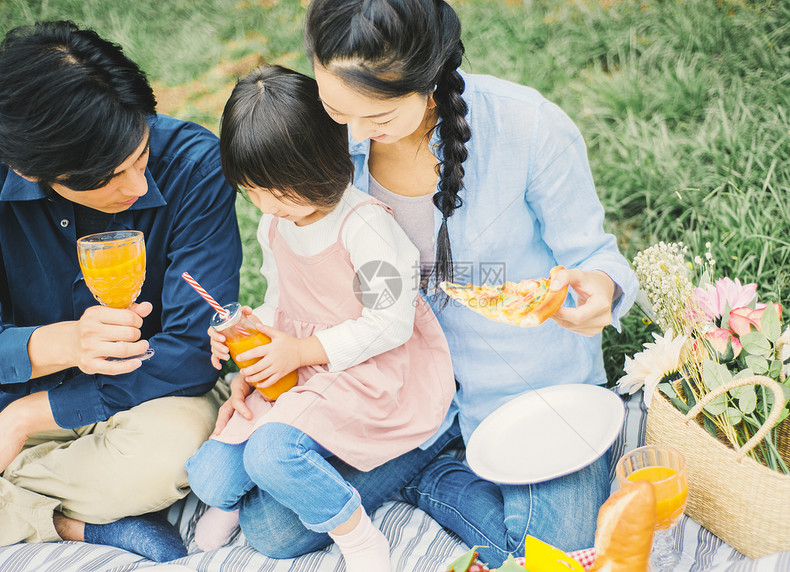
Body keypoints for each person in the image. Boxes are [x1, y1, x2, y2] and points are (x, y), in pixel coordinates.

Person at [225, 0, 640, 567]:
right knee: (272, 530)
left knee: (550, 551)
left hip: (526, 390)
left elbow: (596, 257)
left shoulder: (528, 125)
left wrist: (599, 292)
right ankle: (434, 466)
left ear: (431, 76)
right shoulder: (322, 140)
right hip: (392, 392)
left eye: (377, 117)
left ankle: (429, 479)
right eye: (333, 106)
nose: (348, 131)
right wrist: (272, 348)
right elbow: (302, 273)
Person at [184, 66, 456, 572]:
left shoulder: (366, 227)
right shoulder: (276, 224)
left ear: (323, 162)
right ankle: (247, 492)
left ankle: (358, 538)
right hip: (307, 372)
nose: (266, 205)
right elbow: (283, 301)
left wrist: (302, 351)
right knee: (209, 477)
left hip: (370, 372)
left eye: (279, 191)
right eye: (253, 191)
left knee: (269, 453)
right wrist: (249, 329)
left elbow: (389, 323)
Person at [0, 21, 242, 562]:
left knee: (175, 457)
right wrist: (59, 345)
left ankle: (28, 505)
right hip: (11, 394)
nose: (137, 187)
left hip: (149, 400)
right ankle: (74, 524)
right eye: (108, 176)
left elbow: (189, 351)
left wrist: (27, 417)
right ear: (28, 169)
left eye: (139, 155)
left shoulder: (192, 166)